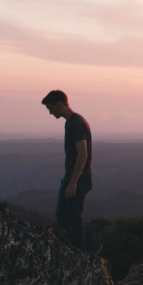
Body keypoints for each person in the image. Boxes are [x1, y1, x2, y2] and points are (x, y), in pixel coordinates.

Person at [41, 90, 92, 250]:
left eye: (51, 108)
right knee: (63, 216)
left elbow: (83, 153)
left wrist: (73, 182)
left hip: (77, 178)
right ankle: (91, 246)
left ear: (60, 104)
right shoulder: (71, 122)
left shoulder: (76, 123)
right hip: (72, 177)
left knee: (72, 218)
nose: (50, 113)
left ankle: (84, 254)